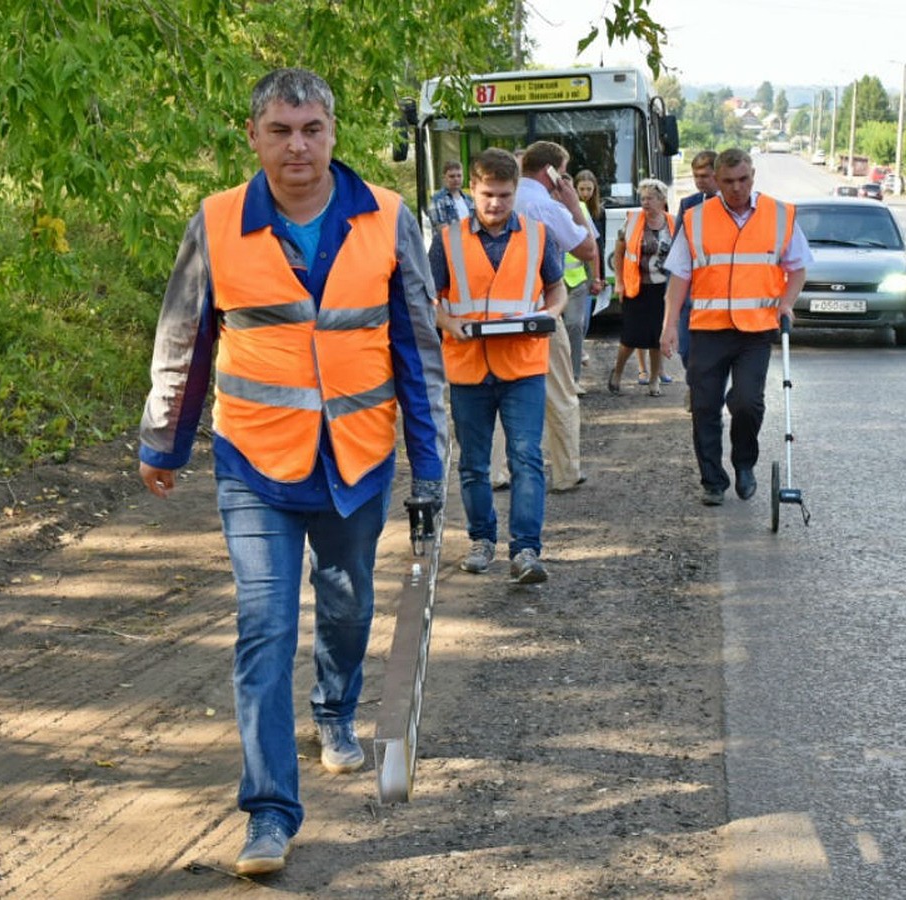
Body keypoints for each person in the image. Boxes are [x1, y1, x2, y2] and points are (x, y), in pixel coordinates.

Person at [137, 68, 448, 877]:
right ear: (254, 136)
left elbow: (418, 348)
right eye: (280, 130)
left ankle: (336, 711)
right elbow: (186, 337)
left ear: (333, 132)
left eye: (311, 128)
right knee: (265, 625)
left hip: (357, 457)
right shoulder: (216, 222)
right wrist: (162, 438)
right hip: (254, 461)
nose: (297, 145)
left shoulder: (386, 218)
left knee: (347, 604)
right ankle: (269, 813)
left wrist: (431, 458)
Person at [428, 147, 566, 584]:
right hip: (468, 366)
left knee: (526, 456)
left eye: (504, 195)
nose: (495, 204)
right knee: (473, 462)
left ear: (515, 192)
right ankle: (481, 539)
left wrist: (550, 317)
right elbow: (426, 300)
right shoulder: (447, 239)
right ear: (472, 189)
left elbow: (557, 290)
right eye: (488, 194)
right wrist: (449, 322)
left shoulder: (537, 235)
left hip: (523, 365)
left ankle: (525, 551)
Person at [660, 147, 812, 506]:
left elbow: (798, 267)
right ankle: (713, 480)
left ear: (753, 175)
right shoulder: (696, 219)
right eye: (727, 181)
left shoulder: (779, 215)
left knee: (746, 403)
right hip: (708, 329)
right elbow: (680, 277)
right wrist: (669, 325)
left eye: (743, 179)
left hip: (756, 330)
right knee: (704, 406)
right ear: (716, 179)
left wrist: (786, 302)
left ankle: (744, 464)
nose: (736, 188)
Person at [516, 141, 599, 492]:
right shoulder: (545, 206)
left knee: (498, 394)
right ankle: (566, 471)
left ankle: (497, 473)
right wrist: (573, 205)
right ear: (550, 170)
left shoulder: (501, 197)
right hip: (540, 309)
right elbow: (588, 248)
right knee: (560, 391)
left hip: (493, 311)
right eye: (562, 171)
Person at [609, 178, 674, 397]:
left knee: (657, 337)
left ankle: (654, 380)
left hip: (663, 289)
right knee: (630, 337)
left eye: (651, 198)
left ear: (662, 200)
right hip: (635, 287)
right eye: (643, 198)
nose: (645, 202)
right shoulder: (632, 220)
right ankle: (617, 373)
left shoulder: (672, 223)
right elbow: (619, 251)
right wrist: (619, 281)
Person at [672, 150, 718, 402]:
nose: (700, 181)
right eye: (695, 176)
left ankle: (703, 391)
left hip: (719, 293)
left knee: (714, 352)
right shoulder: (688, 205)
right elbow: (679, 253)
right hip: (691, 291)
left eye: (705, 175)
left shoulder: (731, 204)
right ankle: (694, 381)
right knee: (686, 349)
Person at [564, 169, 606, 391]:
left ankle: (574, 380)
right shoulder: (542, 209)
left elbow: (592, 248)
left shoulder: (580, 209)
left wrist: (596, 277)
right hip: (549, 282)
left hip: (576, 279)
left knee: (575, 325)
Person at [428, 159, 474, 227]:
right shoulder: (437, 200)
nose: (456, 179)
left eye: (459, 176)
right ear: (444, 178)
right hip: (452, 237)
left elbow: (475, 226)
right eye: (452, 176)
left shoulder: (469, 199)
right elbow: (441, 229)